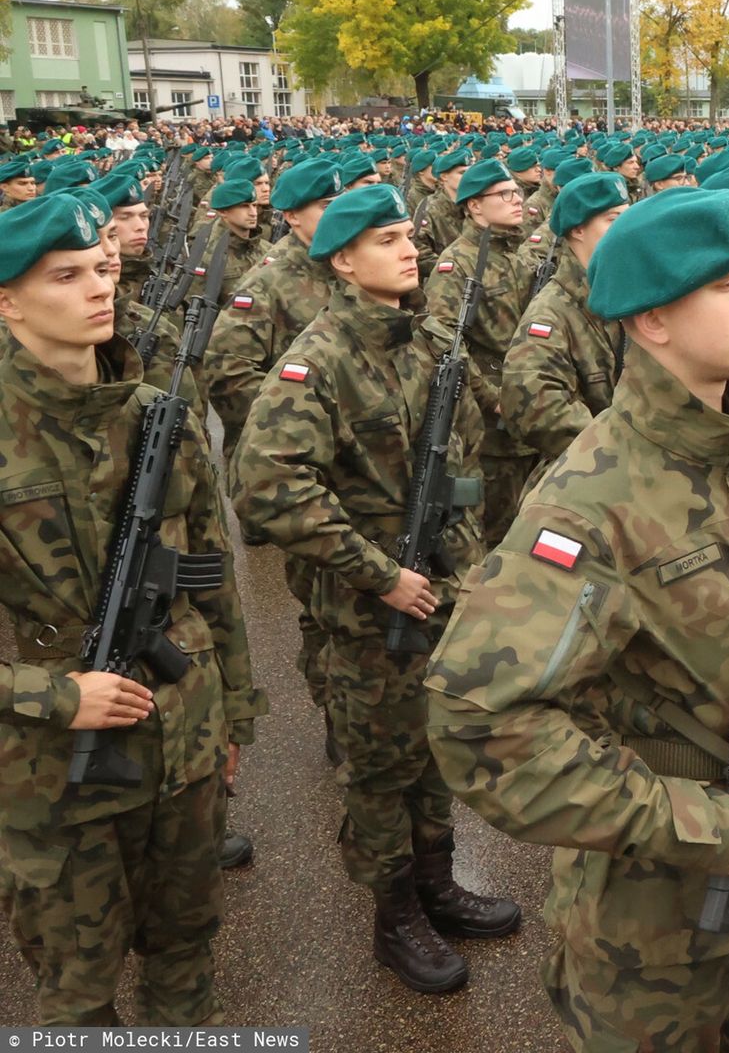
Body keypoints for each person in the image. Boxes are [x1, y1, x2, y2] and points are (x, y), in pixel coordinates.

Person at [426, 187, 729, 1050]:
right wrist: (697, 823)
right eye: (728, 285)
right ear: (652, 321)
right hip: (655, 935)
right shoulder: (590, 501)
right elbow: (477, 721)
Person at [232, 184, 520, 994]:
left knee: (432, 750)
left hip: (439, 594)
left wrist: (469, 572)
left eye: (407, 235)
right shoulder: (317, 362)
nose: (409, 249)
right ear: (344, 262)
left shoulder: (422, 342)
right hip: (368, 612)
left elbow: (464, 467)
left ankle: (436, 883)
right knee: (381, 769)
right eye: (387, 240)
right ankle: (394, 917)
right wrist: (378, 573)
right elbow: (266, 487)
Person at [0, 193, 264, 1024]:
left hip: (183, 739)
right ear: (7, 301)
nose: (98, 288)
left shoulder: (156, 415)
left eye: (101, 268)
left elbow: (210, 578)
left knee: (187, 953)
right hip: (51, 770)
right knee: (78, 991)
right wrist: (56, 695)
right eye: (65, 276)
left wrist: (232, 715)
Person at [203, 156, 345, 725]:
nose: (338, 213)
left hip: (361, 465)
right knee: (323, 602)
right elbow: (228, 372)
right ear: (291, 216)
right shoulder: (266, 282)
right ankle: (336, 714)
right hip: (308, 467)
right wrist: (293, 434)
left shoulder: (347, 266)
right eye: (326, 206)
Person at [424, 157, 539, 546]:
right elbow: (444, 342)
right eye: (504, 194)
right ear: (474, 205)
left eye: (516, 192)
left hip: (531, 406)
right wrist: (491, 398)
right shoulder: (457, 264)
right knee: (499, 528)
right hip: (493, 424)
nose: (517, 199)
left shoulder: (521, 253)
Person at [499, 172, 628, 480]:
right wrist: (624, 447)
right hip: (589, 477)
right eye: (613, 220)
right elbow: (535, 409)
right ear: (578, 229)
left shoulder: (628, 295)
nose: (625, 229)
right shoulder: (551, 313)